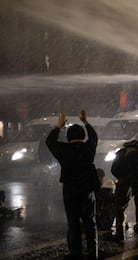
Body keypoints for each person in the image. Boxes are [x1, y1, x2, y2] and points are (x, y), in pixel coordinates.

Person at [45, 110, 99, 260]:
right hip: (87, 188)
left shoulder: (63, 149)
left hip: (70, 189)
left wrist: (58, 126)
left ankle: (76, 253)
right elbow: (94, 137)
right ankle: (92, 252)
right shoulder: (89, 148)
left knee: (73, 221)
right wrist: (86, 122)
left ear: (68, 138)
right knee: (90, 221)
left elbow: (49, 142)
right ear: (83, 136)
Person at [111, 139, 138, 241]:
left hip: (124, 181)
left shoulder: (121, 153)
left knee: (120, 206)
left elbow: (113, 169)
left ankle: (120, 231)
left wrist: (121, 178)